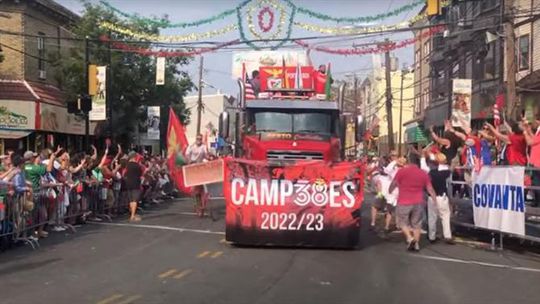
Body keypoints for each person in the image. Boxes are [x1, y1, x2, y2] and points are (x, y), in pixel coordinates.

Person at [389, 154, 438, 252]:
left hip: (404, 201)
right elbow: (430, 188)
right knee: (417, 224)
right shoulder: (423, 173)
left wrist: (390, 190)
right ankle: (416, 244)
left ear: (408, 161)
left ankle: (410, 238)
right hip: (419, 201)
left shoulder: (402, 172)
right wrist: (434, 200)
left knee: (402, 222)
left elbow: (394, 183)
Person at [426, 153, 454, 244]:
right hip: (442, 197)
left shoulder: (428, 175)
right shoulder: (443, 173)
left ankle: (432, 236)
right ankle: (448, 236)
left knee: (432, 217)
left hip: (431, 197)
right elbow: (451, 169)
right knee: (445, 216)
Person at [186, 134, 209, 215]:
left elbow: (206, 155)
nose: (199, 140)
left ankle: (203, 205)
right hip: (193, 168)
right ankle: (198, 205)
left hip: (201, 168)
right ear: (196, 139)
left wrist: (208, 157)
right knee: (195, 189)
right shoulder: (191, 146)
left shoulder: (203, 146)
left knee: (204, 189)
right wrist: (190, 161)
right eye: (197, 139)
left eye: (200, 139)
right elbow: (187, 155)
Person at [522, 115, 540, 207]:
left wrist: (525, 132)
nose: (535, 123)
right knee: (534, 183)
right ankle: (536, 202)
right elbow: (534, 139)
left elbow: (530, 142)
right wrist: (528, 128)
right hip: (535, 162)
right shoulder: (538, 131)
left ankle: (538, 203)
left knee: (536, 184)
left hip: (538, 163)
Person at [125, 151, 143, 222]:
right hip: (135, 183)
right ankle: (132, 215)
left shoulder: (127, 164)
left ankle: (132, 214)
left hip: (128, 183)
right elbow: (140, 173)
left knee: (131, 199)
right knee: (135, 199)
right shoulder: (137, 165)